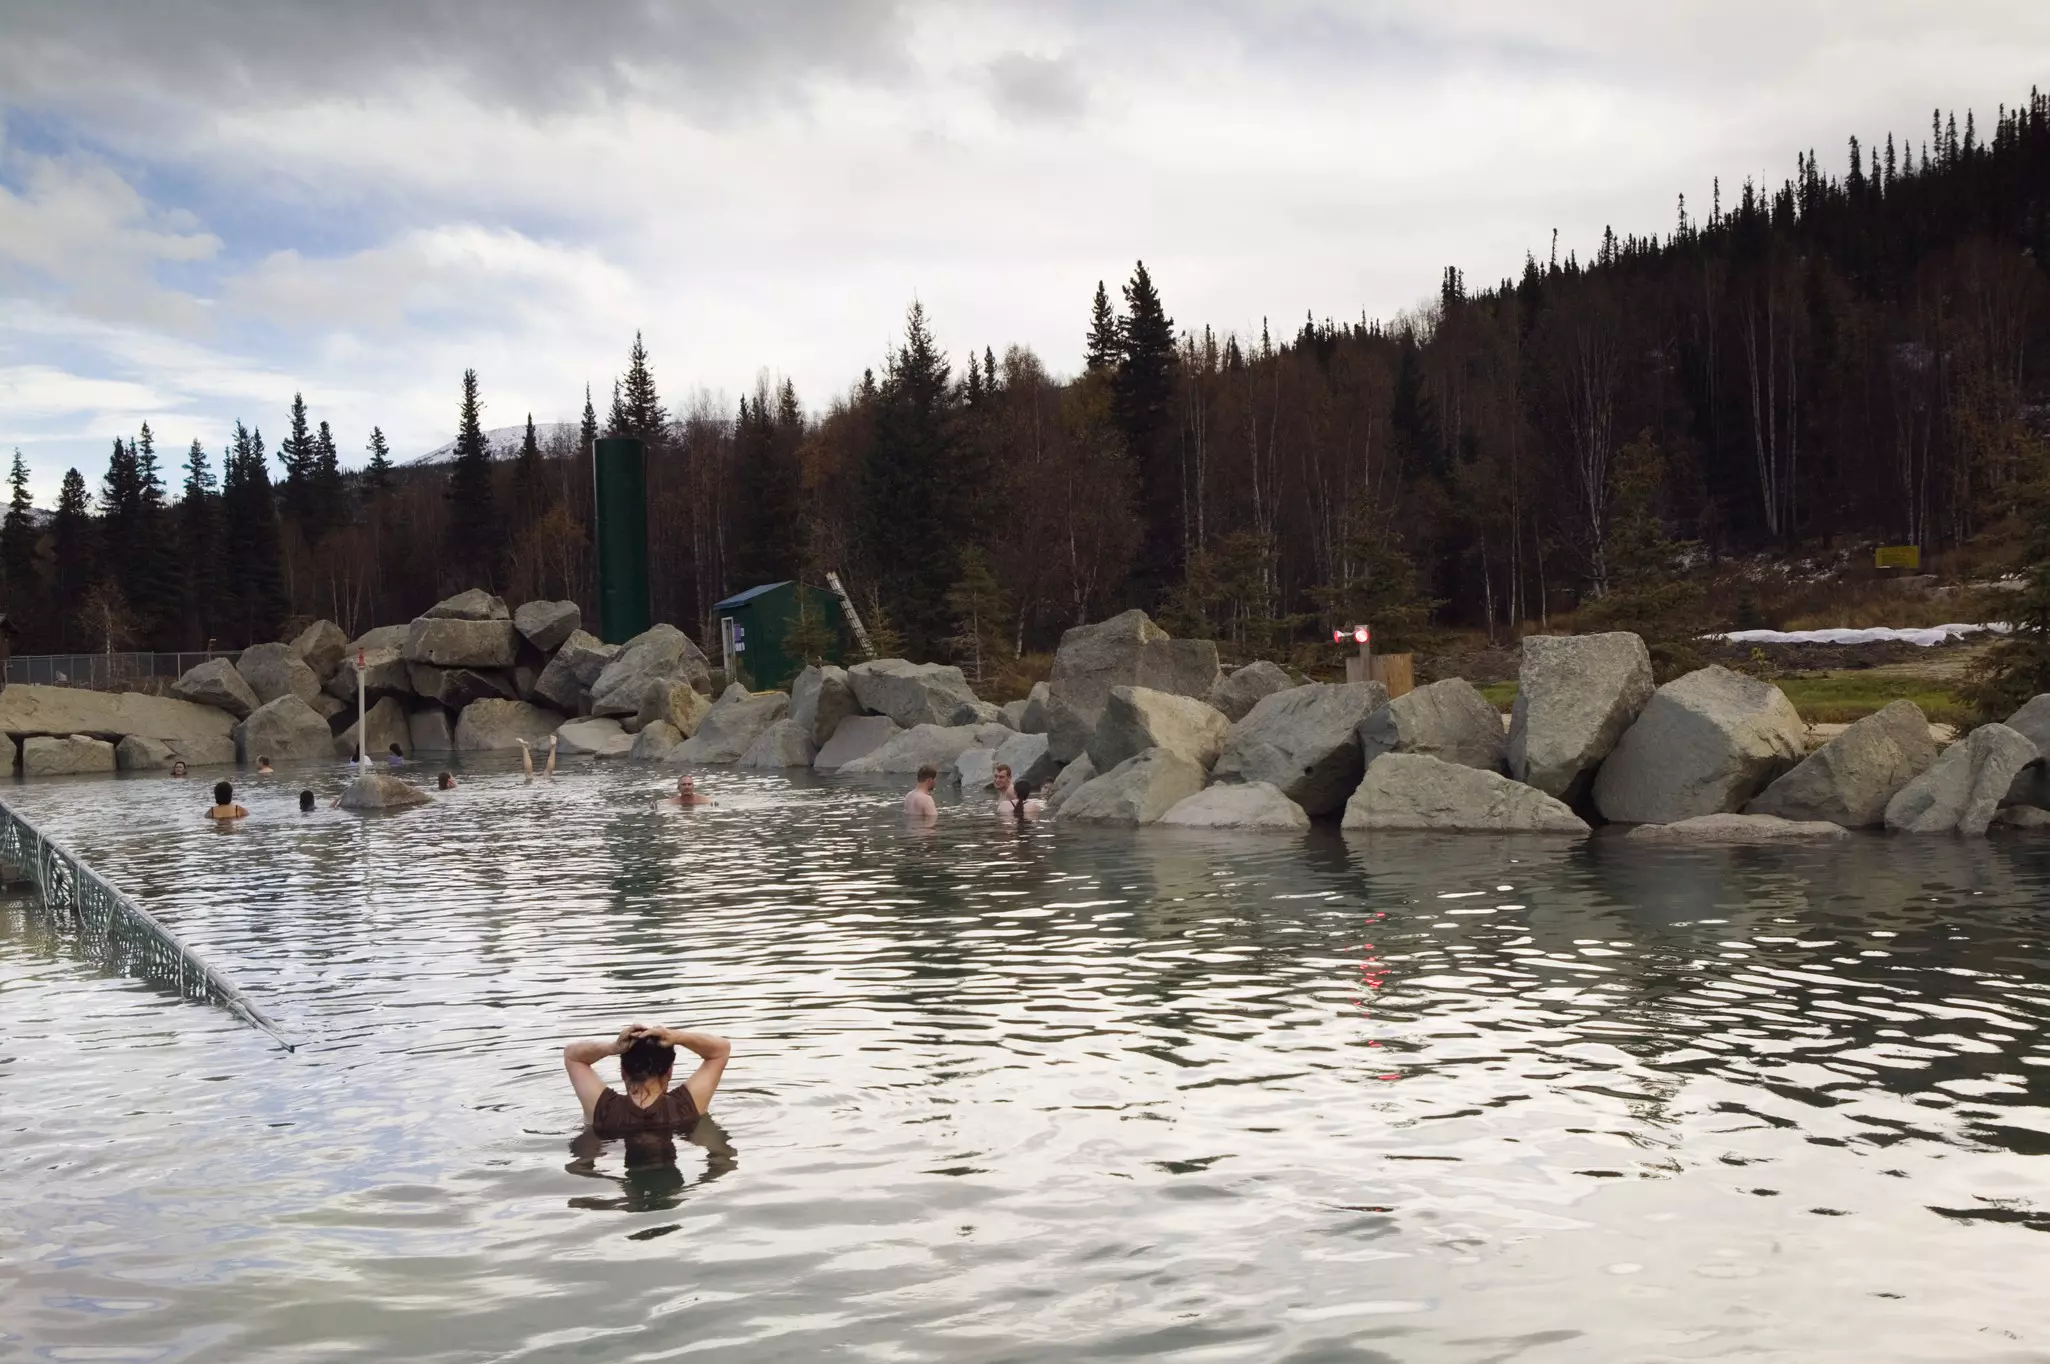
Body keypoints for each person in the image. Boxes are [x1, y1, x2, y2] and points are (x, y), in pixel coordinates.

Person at [563, 1023, 731, 1135]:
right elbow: (721, 1050)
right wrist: (678, 1036)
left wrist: (612, 1047)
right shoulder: (686, 1106)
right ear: (670, 1071)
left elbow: (572, 1056)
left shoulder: (603, 1109)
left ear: (622, 1071)